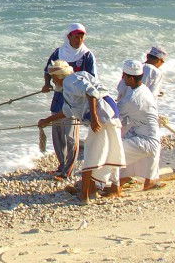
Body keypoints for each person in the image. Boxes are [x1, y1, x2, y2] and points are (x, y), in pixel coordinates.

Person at [37, 60, 125, 204]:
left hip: (102, 117)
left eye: (53, 78)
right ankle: (113, 188)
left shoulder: (70, 81)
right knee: (111, 151)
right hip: (110, 114)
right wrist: (46, 120)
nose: (52, 81)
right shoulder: (71, 84)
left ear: (59, 76)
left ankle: (84, 196)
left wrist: (95, 119)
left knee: (91, 154)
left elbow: (91, 92)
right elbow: (67, 111)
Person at [41, 23, 96, 181]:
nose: (79, 39)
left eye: (81, 36)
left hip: (76, 98)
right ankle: (61, 164)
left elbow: (91, 79)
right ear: (69, 37)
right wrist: (47, 84)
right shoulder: (59, 52)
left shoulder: (87, 55)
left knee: (71, 134)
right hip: (59, 95)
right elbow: (47, 70)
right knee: (57, 132)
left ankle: (68, 169)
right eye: (76, 36)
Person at [116, 59, 162, 192]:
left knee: (113, 152)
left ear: (130, 78)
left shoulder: (133, 99)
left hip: (146, 140)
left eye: (124, 76)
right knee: (122, 142)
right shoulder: (142, 89)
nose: (122, 78)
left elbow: (114, 114)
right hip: (145, 133)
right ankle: (143, 180)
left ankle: (108, 184)